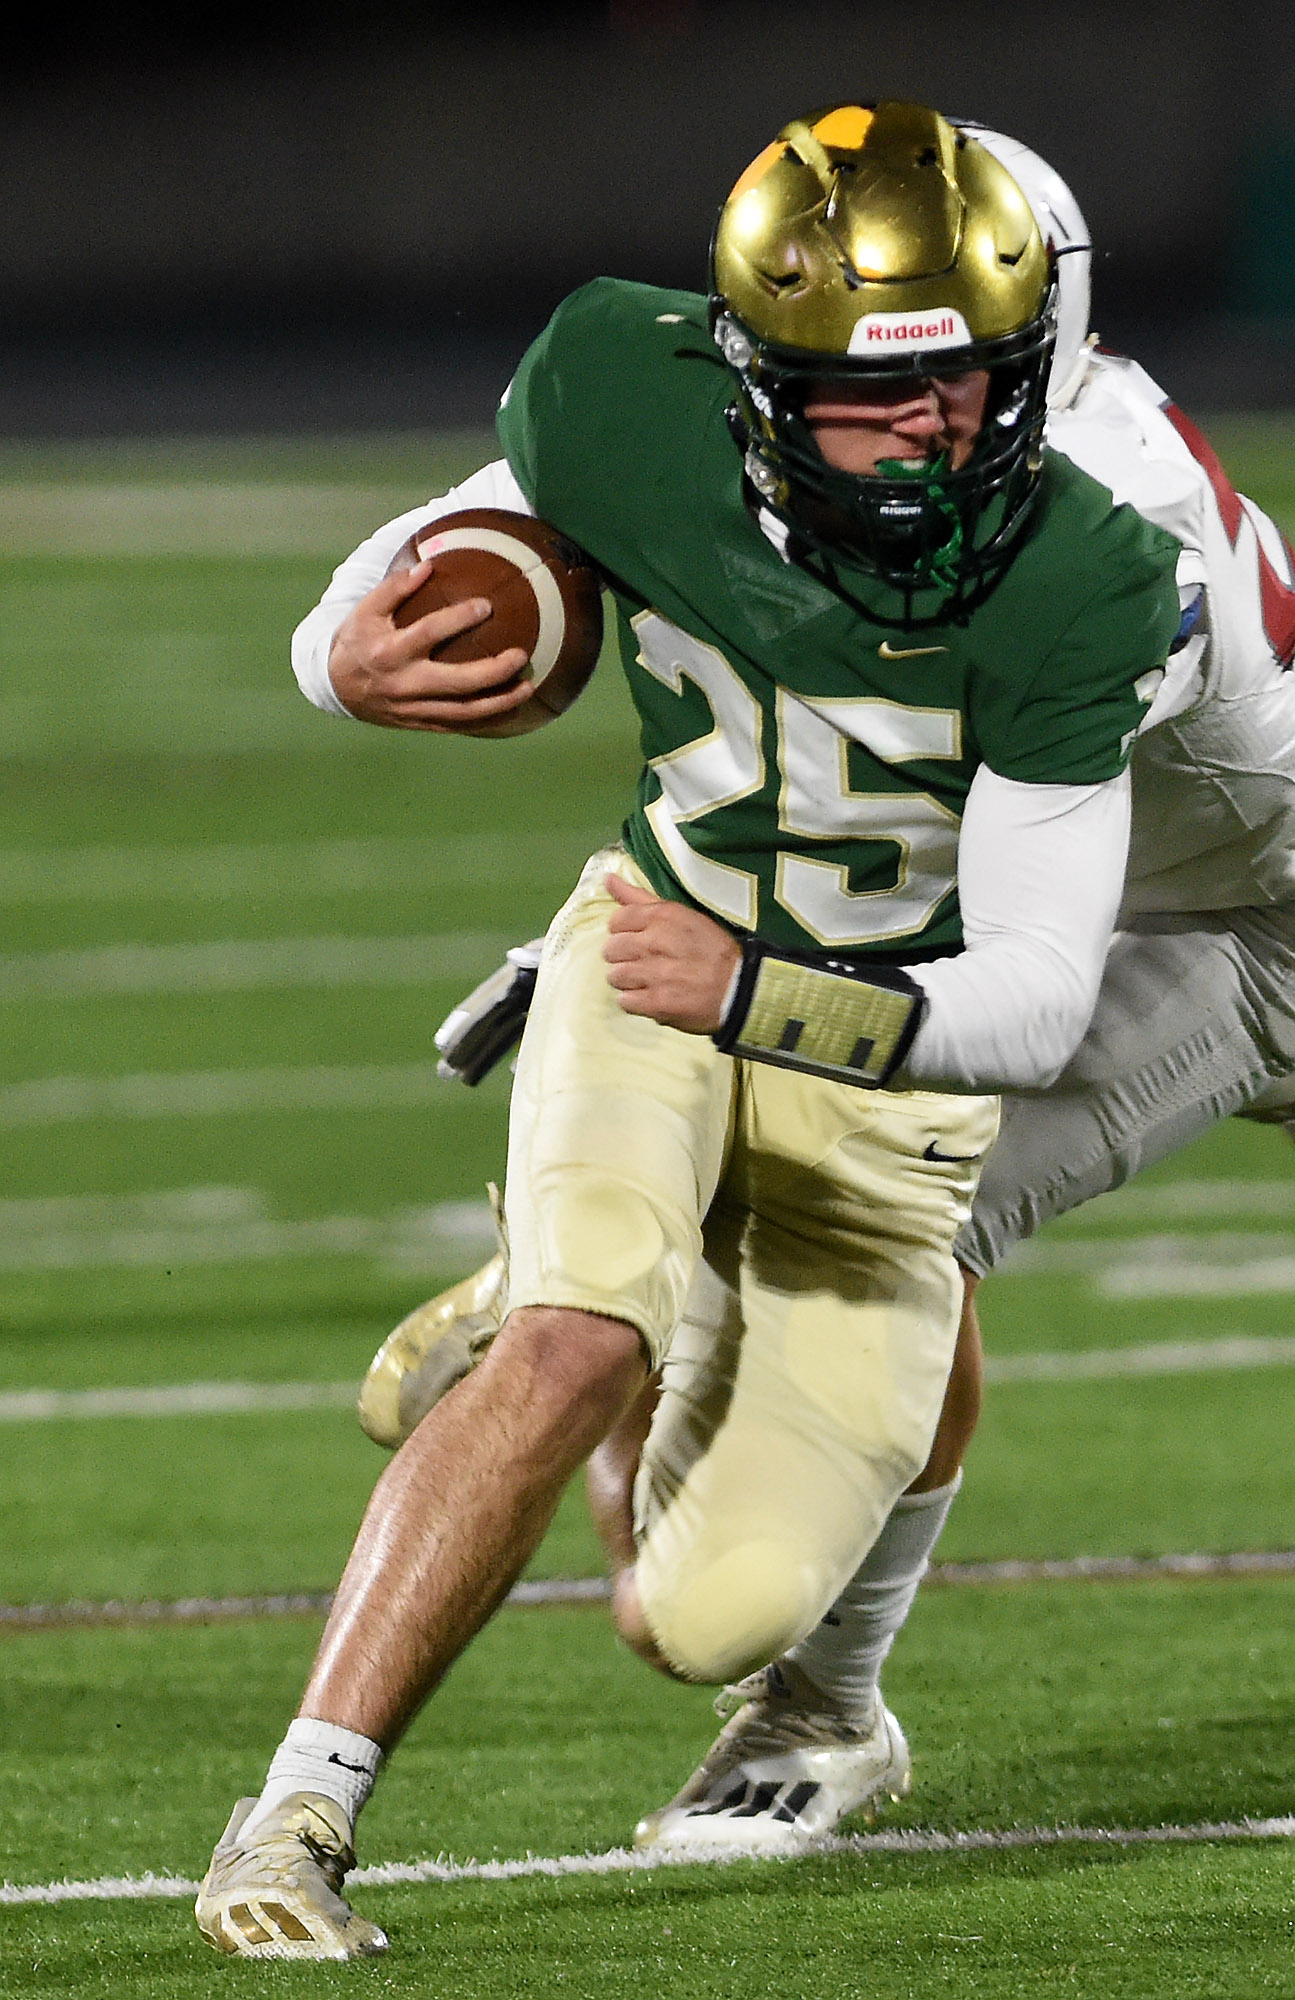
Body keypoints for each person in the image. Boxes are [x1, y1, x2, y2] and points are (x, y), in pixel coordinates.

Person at [354, 117, 1295, 1863]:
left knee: (877, 1206)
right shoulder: (901, 423)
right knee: (773, 1151)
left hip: (1261, 910)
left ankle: (822, 1711)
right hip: (1107, 859)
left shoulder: (1087, 528)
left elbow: (908, 891)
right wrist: (348, 629)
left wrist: (618, 990)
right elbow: (525, 512)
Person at [195, 103, 1193, 1960]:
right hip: (656, 947)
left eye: (970, 391)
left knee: (699, 1623)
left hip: (884, 1069)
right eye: (871, 401)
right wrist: (337, 648)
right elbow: (449, 543)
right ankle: (295, 1818)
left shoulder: (1094, 577)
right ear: (746, 378)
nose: (926, 442)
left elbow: (1044, 1001)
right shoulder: (617, 388)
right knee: (579, 1338)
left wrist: (757, 1002)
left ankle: (604, 1293)